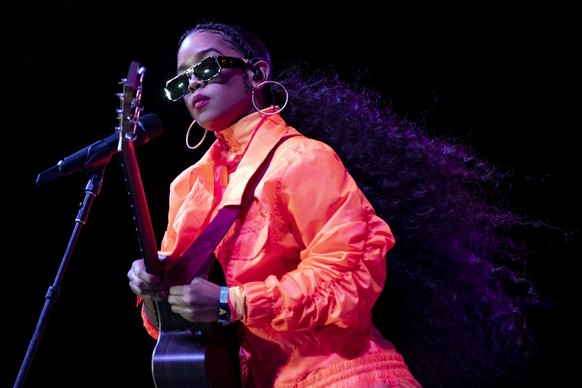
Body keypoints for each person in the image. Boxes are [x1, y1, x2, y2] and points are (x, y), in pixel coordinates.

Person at [127, 20, 552, 387]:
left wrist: (231, 302)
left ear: (256, 72)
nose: (194, 83)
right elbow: (182, 324)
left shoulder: (303, 159)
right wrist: (154, 293)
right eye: (181, 80)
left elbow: (349, 276)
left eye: (208, 66)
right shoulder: (188, 190)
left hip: (344, 375)